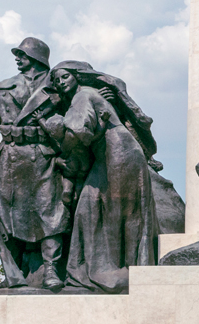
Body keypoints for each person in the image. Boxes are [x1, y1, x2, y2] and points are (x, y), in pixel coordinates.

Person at [33, 61, 159, 293]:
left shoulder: (83, 96)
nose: (61, 83)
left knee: (114, 209)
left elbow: (78, 131)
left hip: (118, 152)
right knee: (94, 206)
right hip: (115, 152)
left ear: (77, 77)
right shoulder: (84, 97)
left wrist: (60, 143)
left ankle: (113, 269)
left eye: (65, 77)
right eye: (57, 80)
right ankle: (116, 267)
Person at [0, 37, 71, 290]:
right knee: (5, 217)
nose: (18, 58)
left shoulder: (58, 85)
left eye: (22, 54)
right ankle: (12, 272)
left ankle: (51, 271)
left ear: (36, 57)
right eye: (18, 54)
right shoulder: (0, 89)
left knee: (51, 215)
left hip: (44, 157)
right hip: (9, 160)